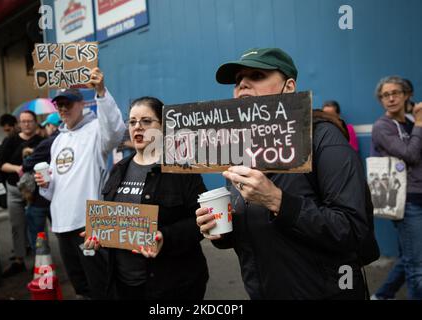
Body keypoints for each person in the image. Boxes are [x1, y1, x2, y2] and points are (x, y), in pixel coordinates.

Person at [195, 47, 372, 299]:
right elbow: (252, 226)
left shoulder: (323, 138)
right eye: (237, 81)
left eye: (256, 75)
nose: (243, 84)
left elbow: (353, 230)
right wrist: (222, 232)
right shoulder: (239, 147)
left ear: (288, 87)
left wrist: (277, 200)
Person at [83, 97, 209, 300]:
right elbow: (113, 220)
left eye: (147, 121)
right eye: (132, 122)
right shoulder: (119, 169)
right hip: (124, 284)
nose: (137, 127)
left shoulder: (182, 169)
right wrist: (99, 234)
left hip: (172, 285)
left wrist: (165, 237)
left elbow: (203, 222)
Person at [35, 67, 125, 300]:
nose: (63, 109)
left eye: (68, 103)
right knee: (80, 287)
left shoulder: (96, 131)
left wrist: (102, 92)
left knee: (101, 285)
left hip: (88, 226)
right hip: (61, 226)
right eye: (59, 105)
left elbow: (115, 131)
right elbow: (52, 189)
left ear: (81, 104)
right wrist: (44, 184)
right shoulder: (58, 141)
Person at [370, 76, 422, 300]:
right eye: (385, 95)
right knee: (417, 266)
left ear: (407, 95)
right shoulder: (382, 126)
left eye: (395, 93)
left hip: (419, 194)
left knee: (411, 257)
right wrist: (419, 125)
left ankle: (382, 295)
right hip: (406, 198)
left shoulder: (411, 121)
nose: (390, 98)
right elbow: (409, 154)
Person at [0, 110, 44, 277]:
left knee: (37, 227)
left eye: (30, 121)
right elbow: (1, 164)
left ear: (35, 122)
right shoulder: (10, 140)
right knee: (17, 226)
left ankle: (41, 261)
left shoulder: (42, 141)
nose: (26, 124)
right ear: (19, 123)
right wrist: (18, 168)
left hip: (35, 192)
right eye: (23, 121)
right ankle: (19, 260)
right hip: (14, 189)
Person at [21, 112, 62, 252]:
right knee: (64, 235)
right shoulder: (69, 141)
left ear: (52, 126)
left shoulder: (48, 142)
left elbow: (26, 165)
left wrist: (28, 154)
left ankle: (42, 266)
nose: (46, 129)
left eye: (47, 126)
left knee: (38, 235)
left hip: (41, 199)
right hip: (60, 197)